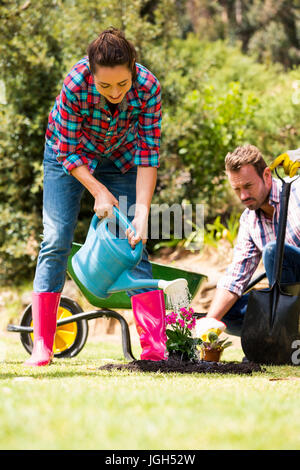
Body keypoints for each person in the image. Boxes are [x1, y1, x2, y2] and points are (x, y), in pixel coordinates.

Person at [25, 28, 162, 366]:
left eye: (122, 84)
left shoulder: (148, 89)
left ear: (133, 69)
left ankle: (154, 348)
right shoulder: (74, 85)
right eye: (105, 86)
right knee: (56, 238)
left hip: (123, 158)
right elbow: (68, 151)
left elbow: (148, 153)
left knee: (135, 242)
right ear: (91, 73)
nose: (115, 92)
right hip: (68, 158)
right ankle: (43, 344)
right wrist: (98, 191)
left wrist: (142, 214)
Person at [196, 144, 300, 337]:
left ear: (267, 176)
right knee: (227, 313)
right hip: (287, 302)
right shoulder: (249, 220)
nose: (243, 196)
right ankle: (286, 332)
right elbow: (236, 276)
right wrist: (210, 320)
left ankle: (284, 330)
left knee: (272, 251)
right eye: (237, 189)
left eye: (248, 186)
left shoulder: (296, 190)